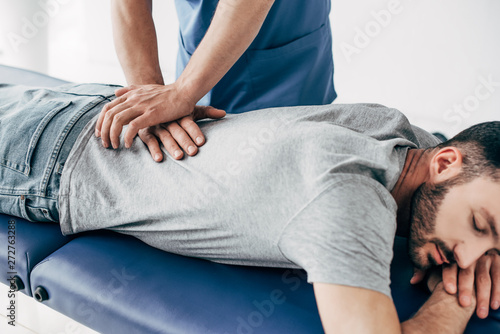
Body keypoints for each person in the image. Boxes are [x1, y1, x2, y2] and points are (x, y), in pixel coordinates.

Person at [1, 83, 499, 333]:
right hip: (42, 164)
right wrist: (452, 303)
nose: (472, 256)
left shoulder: (400, 132)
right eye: (480, 226)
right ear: (446, 163)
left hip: (94, 107)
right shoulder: (346, 201)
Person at [106, 0, 336, 162]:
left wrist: (183, 92)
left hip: (285, 64)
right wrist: (150, 96)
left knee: (293, 162)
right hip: (196, 47)